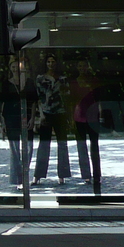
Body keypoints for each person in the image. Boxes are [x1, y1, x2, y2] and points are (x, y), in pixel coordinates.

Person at [33, 52, 71, 185]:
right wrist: (41, 114)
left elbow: (66, 97)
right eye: (48, 62)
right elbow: (39, 98)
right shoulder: (40, 79)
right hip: (46, 113)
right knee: (43, 145)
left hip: (60, 113)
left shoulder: (63, 78)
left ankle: (63, 175)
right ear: (45, 63)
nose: (51, 64)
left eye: (53, 62)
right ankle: (38, 175)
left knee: (62, 144)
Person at [1, 55, 35, 186]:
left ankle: (25, 174)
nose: (15, 69)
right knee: (15, 150)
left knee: (29, 148)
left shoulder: (29, 82)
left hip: (26, 117)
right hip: (11, 118)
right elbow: (2, 103)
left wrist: (32, 118)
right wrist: (3, 121)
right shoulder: (6, 83)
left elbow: (33, 102)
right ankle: (19, 180)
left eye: (18, 67)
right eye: (13, 67)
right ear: (10, 68)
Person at [70, 58, 102, 187]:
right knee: (81, 146)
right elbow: (72, 101)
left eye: (84, 65)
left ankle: (97, 175)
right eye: (80, 65)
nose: (82, 68)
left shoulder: (94, 81)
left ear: (88, 66)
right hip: (79, 116)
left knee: (94, 146)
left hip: (93, 115)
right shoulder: (74, 82)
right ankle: (86, 175)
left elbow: (99, 98)